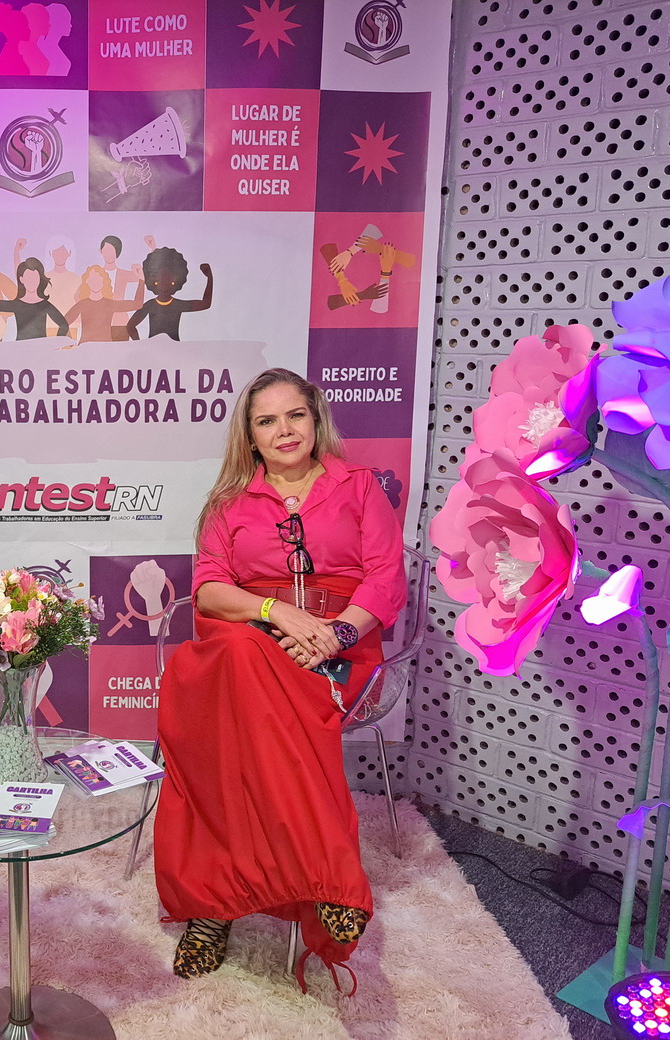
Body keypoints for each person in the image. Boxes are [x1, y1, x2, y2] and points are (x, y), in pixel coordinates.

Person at [154, 367, 405, 988]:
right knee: (235, 658)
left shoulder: (359, 487)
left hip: (339, 647)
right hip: (254, 640)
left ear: (316, 421)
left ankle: (213, 907)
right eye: (267, 421)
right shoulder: (228, 503)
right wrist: (276, 612)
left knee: (222, 717)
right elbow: (209, 590)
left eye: (295, 415)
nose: (284, 430)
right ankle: (327, 876)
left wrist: (335, 634)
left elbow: (385, 580)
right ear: (250, 436)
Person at [0, 257, 69, 340]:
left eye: (35, 278)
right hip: (21, 348)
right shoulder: (17, 305)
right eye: (28, 278)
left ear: (40, 279)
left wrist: (56, 344)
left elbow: (64, 325)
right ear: (22, 279)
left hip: (41, 348)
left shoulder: (45, 305)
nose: (32, 282)